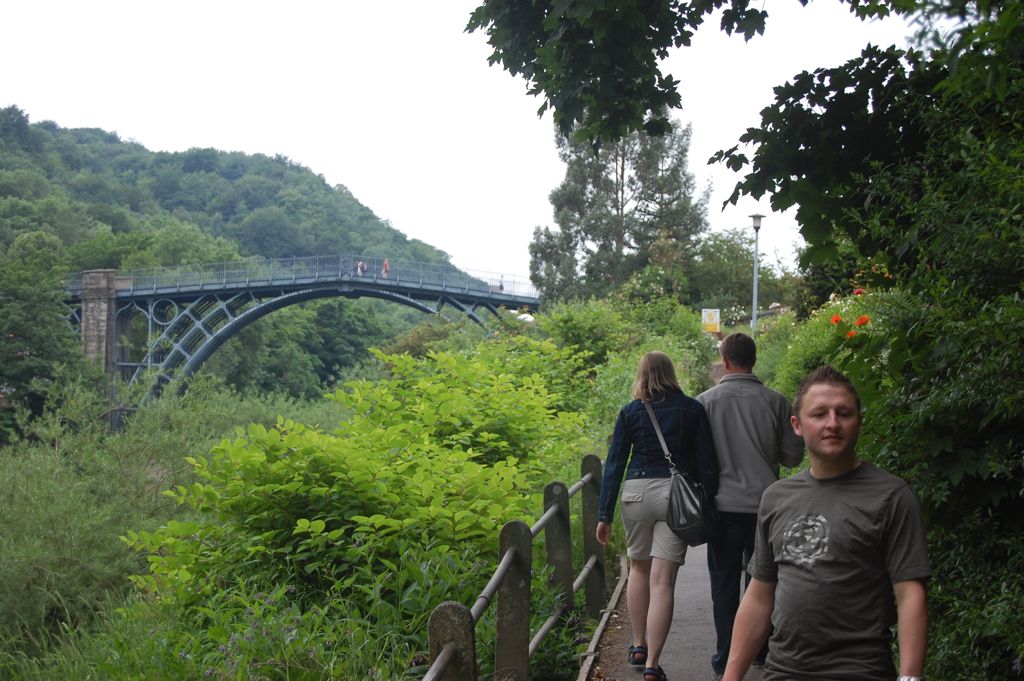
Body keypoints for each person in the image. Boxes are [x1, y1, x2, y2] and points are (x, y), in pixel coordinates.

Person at [722, 365, 931, 681]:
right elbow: (759, 595)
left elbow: (910, 593)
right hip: (782, 671)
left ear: (858, 421)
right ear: (797, 424)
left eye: (843, 413)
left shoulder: (891, 496)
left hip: (861, 672)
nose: (832, 423)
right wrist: (730, 677)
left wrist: (910, 677)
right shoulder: (776, 498)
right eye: (819, 414)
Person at [596, 351, 719, 681]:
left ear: (641, 374)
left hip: (635, 493)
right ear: (671, 373)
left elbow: (614, 465)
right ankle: (652, 664)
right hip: (674, 495)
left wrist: (604, 514)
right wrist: (707, 500)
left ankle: (637, 645)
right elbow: (707, 461)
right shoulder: (692, 409)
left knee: (638, 567)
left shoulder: (630, 412)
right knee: (662, 581)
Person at [695, 332, 805, 677]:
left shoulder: (705, 402)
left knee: (723, 583)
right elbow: (792, 456)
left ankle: (725, 657)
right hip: (766, 507)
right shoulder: (776, 402)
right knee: (763, 583)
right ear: (754, 360)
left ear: (725, 361)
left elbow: (698, 458)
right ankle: (760, 652)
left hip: (722, 507)